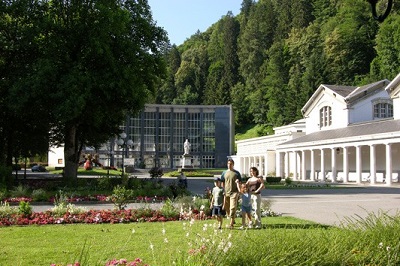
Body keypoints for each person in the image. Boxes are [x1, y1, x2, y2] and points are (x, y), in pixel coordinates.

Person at [220, 158, 242, 229]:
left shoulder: (237, 173)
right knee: (227, 207)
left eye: (231, 164)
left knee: (232, 207)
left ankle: (231, 223)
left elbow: (240, 183)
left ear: (233, 165)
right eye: (228, 164)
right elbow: (222, 182)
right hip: (226, 192)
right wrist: (223, 190)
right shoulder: (224, 173)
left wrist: (239, 192)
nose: (229, 165)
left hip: (234, 193)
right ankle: (232, 217)